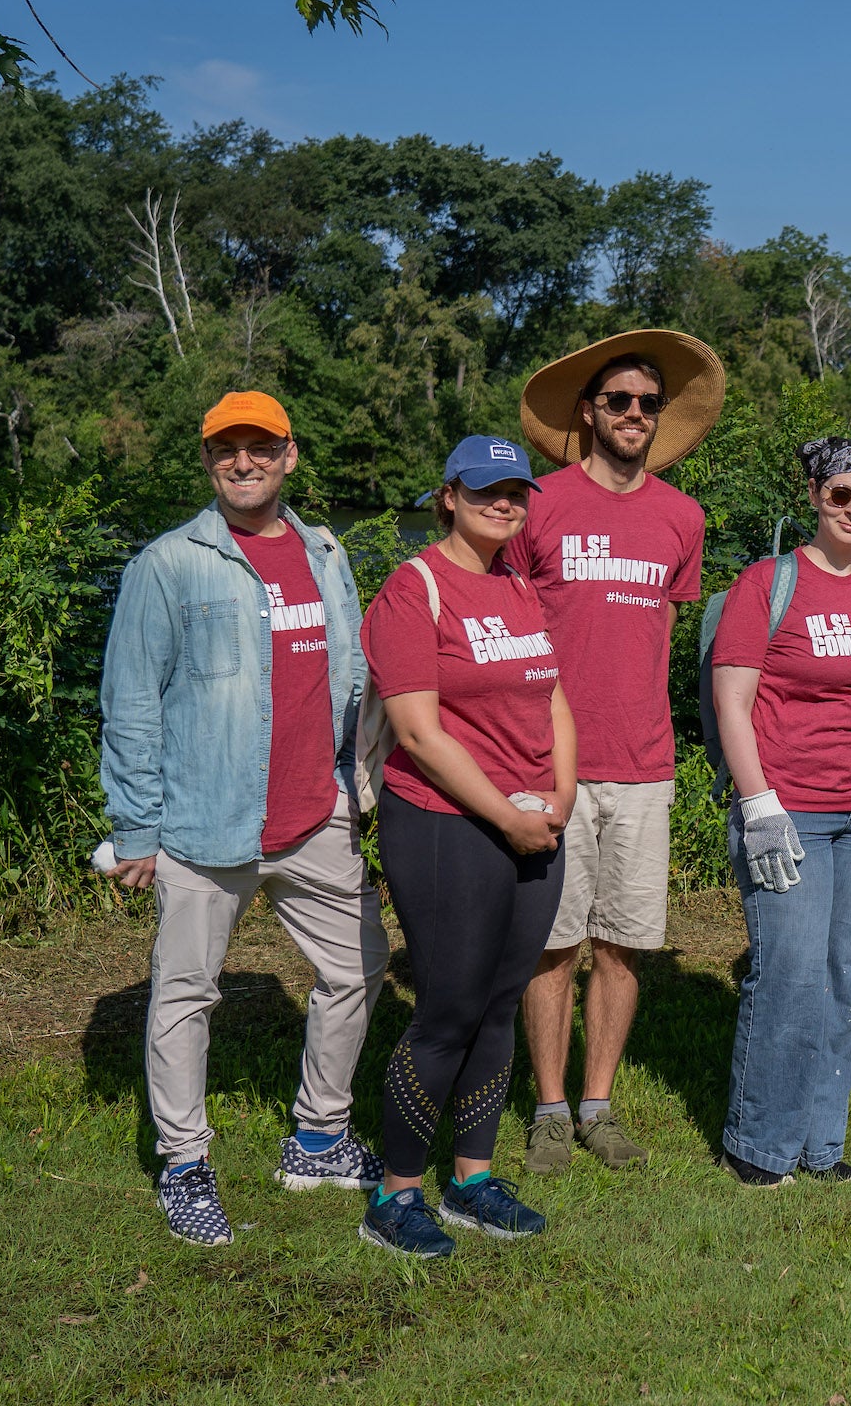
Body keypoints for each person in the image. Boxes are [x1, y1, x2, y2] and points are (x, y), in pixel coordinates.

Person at [99, 391, 387, 1247]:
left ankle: (318, 1137)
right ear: (209, 461)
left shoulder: (327, 552)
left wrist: (356, 788)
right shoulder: (168, 564)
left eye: (260, 446)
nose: (244, 462)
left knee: (363, 968)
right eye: (227, 449)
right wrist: (137, 827)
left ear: (289, 455)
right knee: (187, 993)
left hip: (316, 816)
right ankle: (184, 1164)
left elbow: (355, 679)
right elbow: (130, 703)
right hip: (203, 821)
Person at [507, 330, 722, 1176]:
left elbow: (665, 633)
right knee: (552, 947)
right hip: (546, 762)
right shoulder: (540, 503)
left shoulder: (682, 515)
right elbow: (510, 625)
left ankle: (600, 1107)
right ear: (590, 412)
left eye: (648, 404)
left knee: (624, 945)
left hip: (644, 762)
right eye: (619, 401)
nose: (635, 415)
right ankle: (550, 1110)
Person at [358, 435, 579, 1257]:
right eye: (486, 489)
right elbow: (417, 730)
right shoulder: (414, 590)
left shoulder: (519, 586)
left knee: (498, 1004)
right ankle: (395, 1193)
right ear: (447, 494)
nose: (504, 503)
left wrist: (560, 795)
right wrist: (507, 816)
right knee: (447, 1010)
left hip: (533, 821)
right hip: (448, 824)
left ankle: (472, 1180)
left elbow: (553, 698)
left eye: (516, 491)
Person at [708, 438, 851, 1187]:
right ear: (814, 495)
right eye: (841, 495)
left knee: (844, 973)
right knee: (790, 972)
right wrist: (758, 803)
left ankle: (821, 1144)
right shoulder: (768, 583)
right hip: (788, 808)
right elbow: (733, 702)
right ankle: (759, 1144)